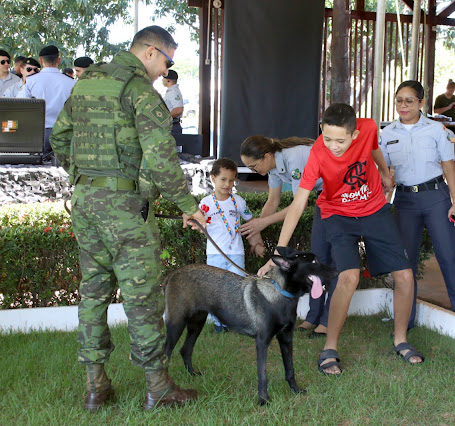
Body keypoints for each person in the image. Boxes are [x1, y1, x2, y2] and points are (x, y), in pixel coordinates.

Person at [49, 25, 206, 412]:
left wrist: (85, 178)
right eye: (167, 61)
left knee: (94, 292)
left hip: (85, 202)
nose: (165, 70)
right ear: (151, 52)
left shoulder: (86, 84)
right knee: (142, 298)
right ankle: (158, 387)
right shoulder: (139, 92)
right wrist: (188, 206)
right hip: (125, 209)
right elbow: (161, 158)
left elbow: (59, 138)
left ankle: (96, 386)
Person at [257, 103, 424, 375]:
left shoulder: (367, 127)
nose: (333, 146)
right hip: (336, 214)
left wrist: (383, 171)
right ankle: (329, 348)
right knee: (348, 276)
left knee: (404, 275)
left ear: (354, 134)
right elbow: (299, 204)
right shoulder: (318, 154)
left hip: (374, 210)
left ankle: (401, 340)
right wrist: (279, 252)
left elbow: (373, 147)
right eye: (327, 137)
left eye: (340, 140)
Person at [380, 80, 455, 326]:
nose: (403, 106)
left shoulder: (435, 130)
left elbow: (448, 167)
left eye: (409, 101)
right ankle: (405, 319)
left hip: (435, 197)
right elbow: (383, 170)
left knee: (448, 254)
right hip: (404, 201)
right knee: (405, 262)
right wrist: (385, 183)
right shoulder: (387, 133)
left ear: (421, 102)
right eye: (399, 100)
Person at [239, 134, 335, 338]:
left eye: (254, 166)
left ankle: (328, 320)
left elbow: (299, 205)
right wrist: (256, 232)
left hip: (338, 199)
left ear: (266, 156)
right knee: (318, 259)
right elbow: (272, 202)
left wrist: (275, 249)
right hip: (323, 200)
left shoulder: (294, 157)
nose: (253, 171)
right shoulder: (273, 165)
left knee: (332, 264)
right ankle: (313, 316)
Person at [199, 157, 264, 332]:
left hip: (236, 253)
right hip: (215, 254)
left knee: (238, 289)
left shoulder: (239, 201)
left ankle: (238, 322)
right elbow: (198, 225)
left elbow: (252, 225)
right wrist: (198, 227)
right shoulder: (205, 203)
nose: (227, 184)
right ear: (213, 178)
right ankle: (219, 324)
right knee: (216, 290)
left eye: (231, 180)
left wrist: (257, 243)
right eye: (223, 179)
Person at [17, 45, 75, 161]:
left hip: (38, 135)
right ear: (58, 60)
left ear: (41, 60)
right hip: (64, 135)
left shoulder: (31, 81)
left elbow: (20, 106)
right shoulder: (71, 83)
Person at [161, 69, 183, 135]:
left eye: (163, 78)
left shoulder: (174, 92)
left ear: (168, 80)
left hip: (173, 126)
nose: (162, 80)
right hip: (170, 125)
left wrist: (164, 119)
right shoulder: (170, 92)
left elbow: (178, 110)